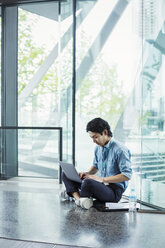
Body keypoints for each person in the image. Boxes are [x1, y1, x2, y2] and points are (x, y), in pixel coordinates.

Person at [62, 117, 132, 210]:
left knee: (88, 183)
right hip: (101, 186)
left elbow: (127, 175)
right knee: (66, 173)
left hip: (113, 191)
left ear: (105, 132)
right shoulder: (98, 148)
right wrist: (87, 174)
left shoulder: (120, 150)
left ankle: (73, 193)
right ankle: (79, 199)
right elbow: (95, 167)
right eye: (92, 137)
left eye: (95, 137)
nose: (94, 141)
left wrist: (101, 179)